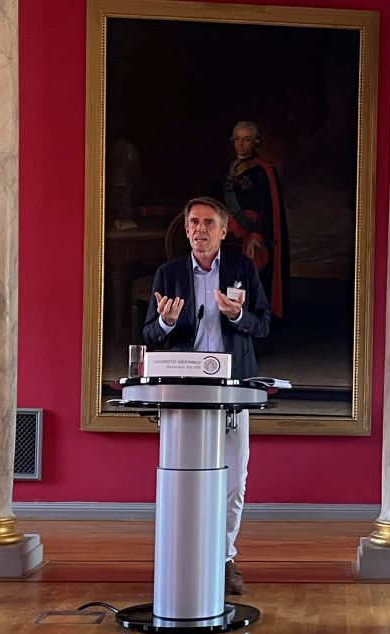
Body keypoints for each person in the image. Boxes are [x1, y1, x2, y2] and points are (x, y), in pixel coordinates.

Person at [142, 196, 270, 595]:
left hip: (233, 389)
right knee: (183, 479)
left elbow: (262, 325)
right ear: (185, 229)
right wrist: (164, 321)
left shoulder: (242, 269)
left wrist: (236, 315)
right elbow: (149, 334)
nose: (200, 229)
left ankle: (224, 558)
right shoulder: (168, 274)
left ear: (223, 229)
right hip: (184, 390)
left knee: (235, 480)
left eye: (208, 222)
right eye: (193, 222)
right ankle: (182, 556)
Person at [210, 120, 290, 320]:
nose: (241, 144)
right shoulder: (225, 169)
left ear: (255, 141)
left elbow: (268, 207)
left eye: (246, 139)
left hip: (253, 232)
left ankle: (252, 319)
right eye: (237, 139)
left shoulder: (264, 170)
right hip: (225, 233)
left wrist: (257, 234)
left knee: (251, 278)